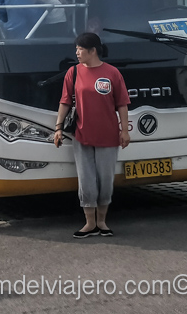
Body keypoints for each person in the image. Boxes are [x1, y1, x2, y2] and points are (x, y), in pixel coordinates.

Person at [52, 32, 130, 239]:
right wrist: (58, 127)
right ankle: (89, 223)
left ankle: (102, 222)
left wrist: (124, 131)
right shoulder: (73, 73)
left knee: (105, 179)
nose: (77, 53)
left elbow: (122, 103)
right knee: (86, 179)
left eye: (80, 49)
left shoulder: (112, 73)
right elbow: (65, 101)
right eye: (76, 49)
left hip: (108, 136)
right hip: (81, 134)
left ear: (93, 50)